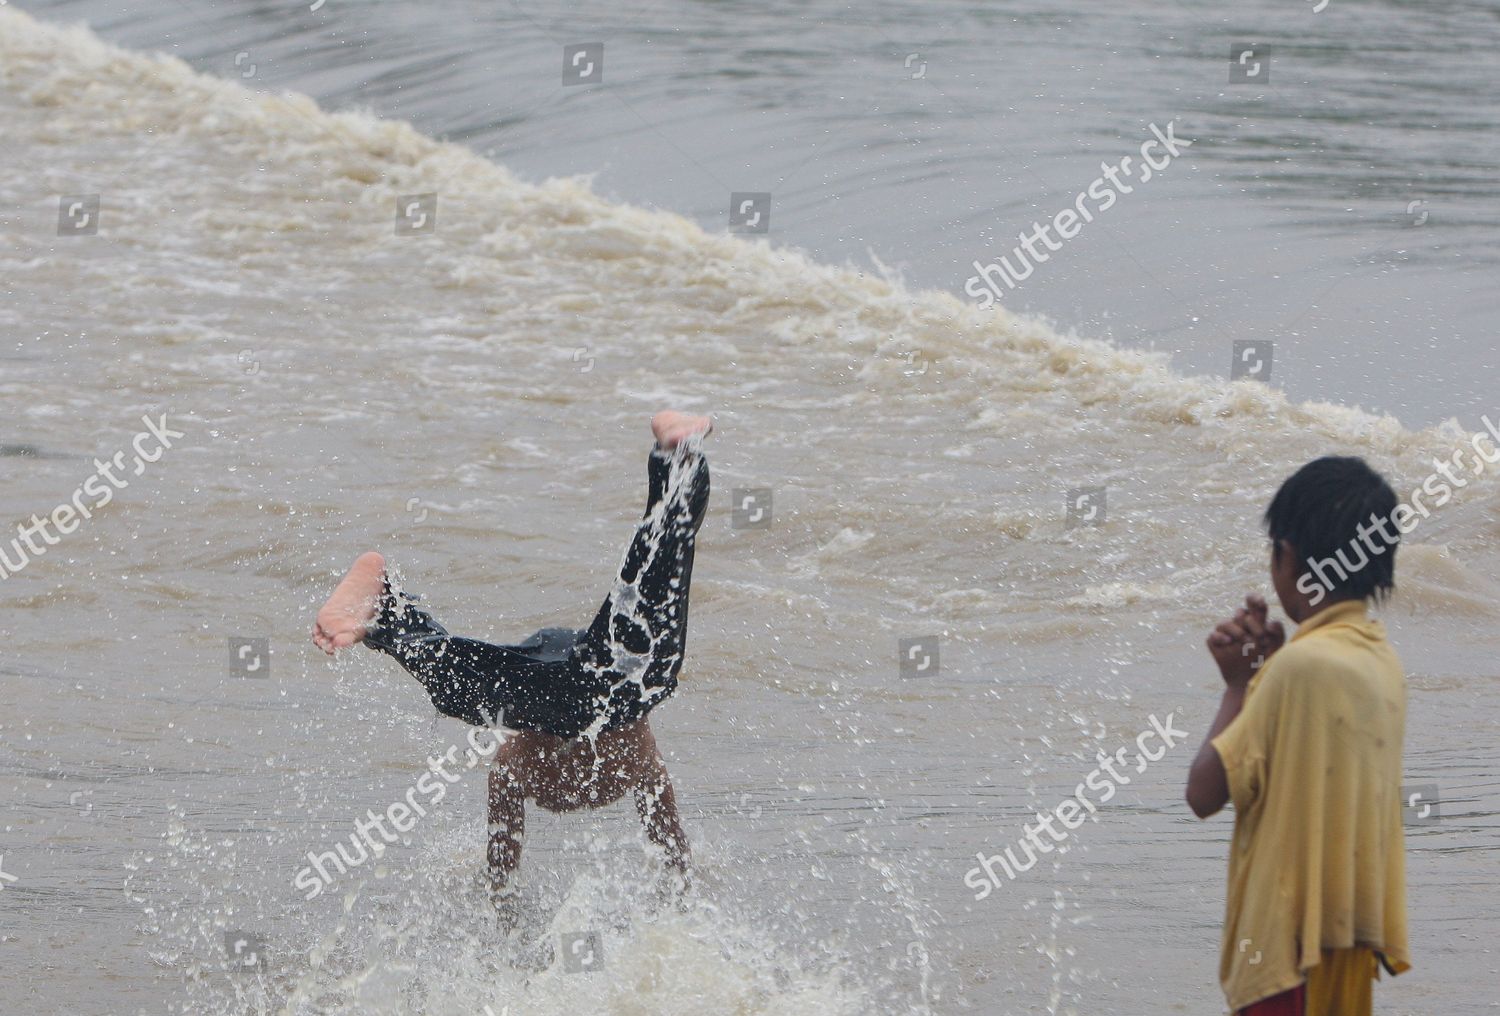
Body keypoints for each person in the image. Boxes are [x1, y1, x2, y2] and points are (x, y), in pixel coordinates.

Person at [311, 410, 713, 898]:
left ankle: (386, 607)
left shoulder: (531, 759)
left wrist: (500, 911)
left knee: (463, 686)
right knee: (648, 642)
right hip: (584, 686)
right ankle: (676, 460)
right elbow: (672, 854)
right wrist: (685, 899)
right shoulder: (624, 752)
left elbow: (503, 873)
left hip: (552, 679)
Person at [1185, 456, 1412, 1016]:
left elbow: (1205, 793)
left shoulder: (1297, 669)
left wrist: (1239, 685)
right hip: (1345, 944)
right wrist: (1268, 671)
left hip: (1287, 955)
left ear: (1287, 556)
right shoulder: (1378, 658)